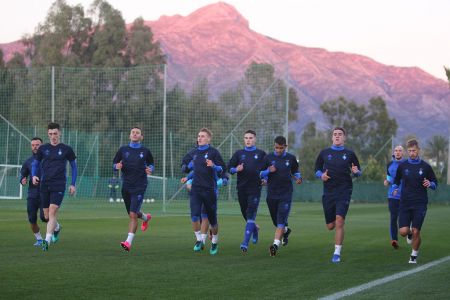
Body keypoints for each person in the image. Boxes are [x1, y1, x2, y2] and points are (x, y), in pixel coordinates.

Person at [314, 127, 361, 263]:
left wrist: (356, 171)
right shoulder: (324, 153)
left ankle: (337, 252)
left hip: (344, 191)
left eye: (340, 134)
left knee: (340, 220)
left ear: (344, 138)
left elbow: (358, 171)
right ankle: (333, 225)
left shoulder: (350, 154)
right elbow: (316, 169)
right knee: (330, 226)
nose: (337, 136)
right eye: (335, 134)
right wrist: (321, 175)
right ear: (331, 137)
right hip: (328, 192)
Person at [32, 123, 77, 252]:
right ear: (48, 134)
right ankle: (56, 227)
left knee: (52, 211)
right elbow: (35, 163)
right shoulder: (43, 148)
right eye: (50, 134)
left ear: (60, 133)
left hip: (59, 184)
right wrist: (34, 175)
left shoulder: (66, 149)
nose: (53, 136)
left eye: (55, 133)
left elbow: (74, 167)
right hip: (44, 184)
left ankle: (47, 241)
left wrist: (73, 184)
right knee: (46, 216)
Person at [181, 128, 226, 255]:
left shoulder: (214, 152)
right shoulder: (193, 152)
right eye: (199, 136)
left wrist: (214, 166)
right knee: (195, 217)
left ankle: (215, 242)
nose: (199, 138)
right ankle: (199, 240)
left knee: (212, 220)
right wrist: (186, 168)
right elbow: (185, 167)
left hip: (209, 190)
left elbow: (222, 169)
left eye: (203, 136)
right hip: (196, 189)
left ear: (208, 139)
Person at [392, 139, 437, 264]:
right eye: (410, 151)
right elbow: (396, 180)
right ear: (407, 151)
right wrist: (395, 188)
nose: (412, 153)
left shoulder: (426, 167)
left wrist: (430, 183)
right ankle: (409, 233)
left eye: (414, 151)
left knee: (417, 231)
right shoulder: (403, 166)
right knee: (403, 232)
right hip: (405, 203)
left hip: (420, 203)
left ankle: (413, 255)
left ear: (418, 150)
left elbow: (435, 183)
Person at [113, 127, 154, 252]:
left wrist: (150, 169)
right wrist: (117, 166)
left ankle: (128, 241)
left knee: (132, 215)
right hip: (126, 186)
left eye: (138, 133)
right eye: (133, 132)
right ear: (130, 135)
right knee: (133, 213)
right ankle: (146, 217)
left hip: (140, 185)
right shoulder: (123, 150)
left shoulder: (145, 151)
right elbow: (114, 164)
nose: (135, 134)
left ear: (141, 137)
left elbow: (151, 164)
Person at [260, 136, 302, 257]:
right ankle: (286, 231)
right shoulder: (268, 158)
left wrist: (299, 178)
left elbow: (295, 171)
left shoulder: (291, 158)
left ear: (285, 146)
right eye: (276, 147)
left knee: (280, 221)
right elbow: (260, 173)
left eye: (281, 148)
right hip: (272, 195)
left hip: (286, 194)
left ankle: (275, 245)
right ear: (274, 146)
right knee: (277, 222)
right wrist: (268, 171)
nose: (278, 150)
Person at [228, 130, 266, 253]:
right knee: (245, 213)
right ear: (244, 139)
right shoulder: (239, 154)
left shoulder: (261, 154)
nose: (248, 140)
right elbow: (229, 168)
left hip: (255, 188)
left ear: (255, 139)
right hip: (242, 188)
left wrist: (266, 179)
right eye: (246, 138)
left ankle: (245, 243)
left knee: (250, 214)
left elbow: (269, 169)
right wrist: (236, 169)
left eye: (250, 138)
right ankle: (254, 229)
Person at [20, 137, 47, 246]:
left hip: (46, 192)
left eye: (37, 145)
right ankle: (39, 239)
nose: (35, 147)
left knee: (45, 217)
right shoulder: (28, 161)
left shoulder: (48, 160)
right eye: (33, 145)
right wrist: (22, 180)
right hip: (32, 194)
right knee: (32, 218)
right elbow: (23, 175)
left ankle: (56, 226)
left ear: (42, 146)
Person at [384, 145, 406, 249]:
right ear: (394, 152)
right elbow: (389, 178)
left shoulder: (407, 164)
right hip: (392, 195)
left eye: (400, 151)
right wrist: (387, 181)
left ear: (403, 153)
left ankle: (409, 231)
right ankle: (394, 240)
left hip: (406, 195)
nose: (397, 152)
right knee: (393, 217)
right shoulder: (389, 164)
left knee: (404, 218)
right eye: (396, 150)